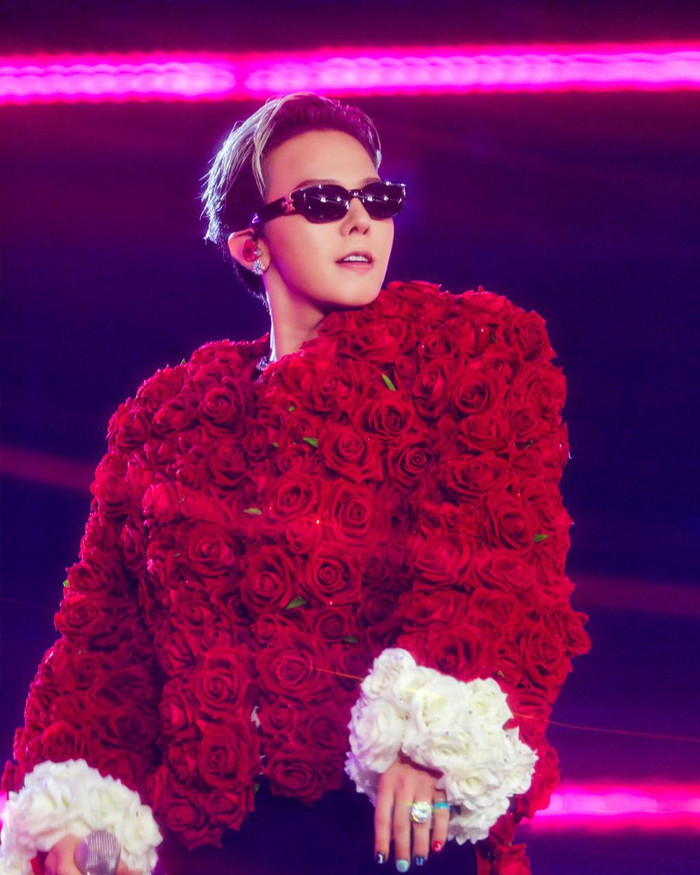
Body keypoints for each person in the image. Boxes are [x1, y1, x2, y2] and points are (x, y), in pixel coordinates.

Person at [0, 93, 589, 875]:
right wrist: (75, 811)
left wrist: (431, 735)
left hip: (394, 823)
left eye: (376, 198)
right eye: (322, 202)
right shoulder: (166, 420)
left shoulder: (472, 356)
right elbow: (105, 638)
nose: (360, 221)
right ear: (252, 245)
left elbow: (497, 569)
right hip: (214, 838)